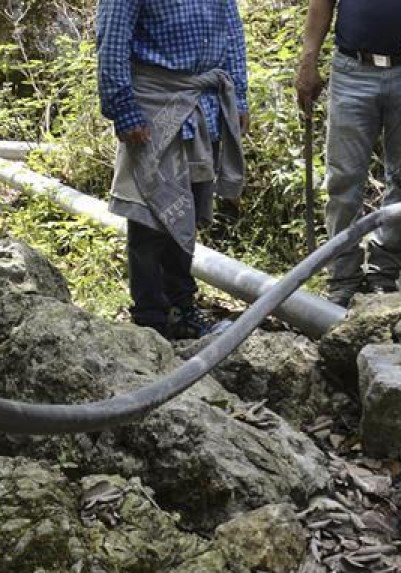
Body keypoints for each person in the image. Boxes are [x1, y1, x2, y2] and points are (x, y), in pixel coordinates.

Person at [97, 0, 249, 339]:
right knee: (151, 213)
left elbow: (232, 31)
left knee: (188, 206)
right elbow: (112, 41)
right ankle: (150, 318)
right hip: (155, 103)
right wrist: (123, 109)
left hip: (204, 101)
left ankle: (182, 308)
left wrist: (238, 96)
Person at [295, 0, 401, 308]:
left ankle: (383, 277)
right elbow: (322, 3)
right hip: (351, 70)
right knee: (343, 180)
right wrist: (308, 62)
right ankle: (342, 280)